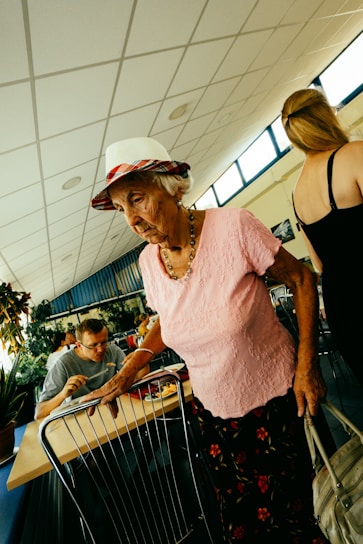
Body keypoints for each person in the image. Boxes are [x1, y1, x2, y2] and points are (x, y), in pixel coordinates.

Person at [85, 136, 329, 542]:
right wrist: (130, 368)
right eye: (121, 208)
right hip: (216, 418)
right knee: (245, 529)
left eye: (138, 198)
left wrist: (308, 364)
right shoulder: (148, 261)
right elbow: (171, 316)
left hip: (282, 403)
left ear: (170, 186)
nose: (132, 219)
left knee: (305, 520)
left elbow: (302, 278)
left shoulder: (234, 226)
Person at [281, 88, 363, 388]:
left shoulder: (296, 192)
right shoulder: (354, 154)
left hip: (344, 310)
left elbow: (319, 264)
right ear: (327, 115)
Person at [36, 318, 148, 419]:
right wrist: (63, 394)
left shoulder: (113, 351)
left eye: (104, 342)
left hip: (116, 412)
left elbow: (137, 378)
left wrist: (141, 361)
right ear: (79, 345)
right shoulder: (64, 364)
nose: (100, 349)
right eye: (93, 345)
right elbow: (39, 412)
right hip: (85, 419)